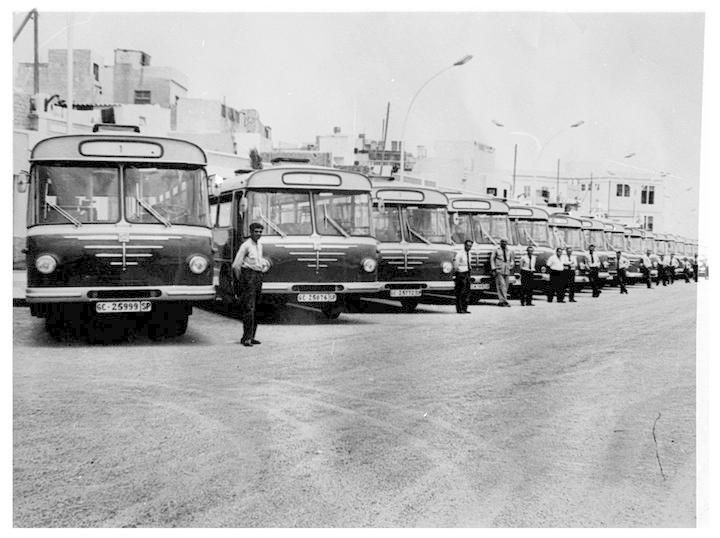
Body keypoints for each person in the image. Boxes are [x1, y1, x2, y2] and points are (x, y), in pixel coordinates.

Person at [232, 222, 270, 347]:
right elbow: (236, 266)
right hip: (248, 277)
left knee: (256, 307)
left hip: (258, 277)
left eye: (260, 231)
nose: (258, 234)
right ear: (251, 232)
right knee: (249, 308)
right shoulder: (246, 246)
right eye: (256, 231)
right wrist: (241, 281)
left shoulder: (259, 245)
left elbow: (259, 261)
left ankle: (252, 337)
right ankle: (246, 338)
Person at [490, 238, 513, 307]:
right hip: (499, 269)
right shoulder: (496, 249)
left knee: (506, 286)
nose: (504, 243)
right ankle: (504, 301)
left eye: (505, 242)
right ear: (500, 242)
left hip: (507, 269)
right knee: (501, 285)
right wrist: (493, 268)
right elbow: (492, 259)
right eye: (502, 242)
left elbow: (512, 259)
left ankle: (501, 301)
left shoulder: (509, 250)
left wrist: (511, 265)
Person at [453, 240, 473, 313]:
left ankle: (465, 308)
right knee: (461, 292)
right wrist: (457, 273)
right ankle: (459, 309)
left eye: (470, 246)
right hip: (461, 273)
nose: (469, 247)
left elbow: (469, 263)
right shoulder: (460, 253)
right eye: (468, 245)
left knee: (467, 292)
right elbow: (456, 264)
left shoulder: (469, 253)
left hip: (467, 273)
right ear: (464, 245)